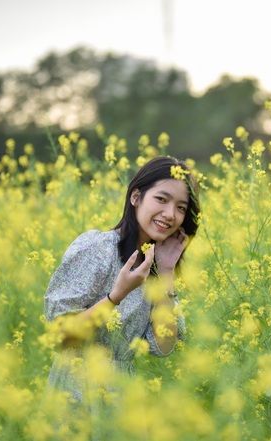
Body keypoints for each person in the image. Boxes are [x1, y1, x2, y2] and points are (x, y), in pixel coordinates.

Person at [43, 156, 200, 403]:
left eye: (181, 207)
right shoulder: (97, 248)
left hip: (123, 400)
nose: (170, 214)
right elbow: (60, 336)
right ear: (135, 197)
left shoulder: (155, 266)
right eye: (161, 199)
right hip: (75, 393)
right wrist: (116, 296)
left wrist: (167, 272)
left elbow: (164, 346)